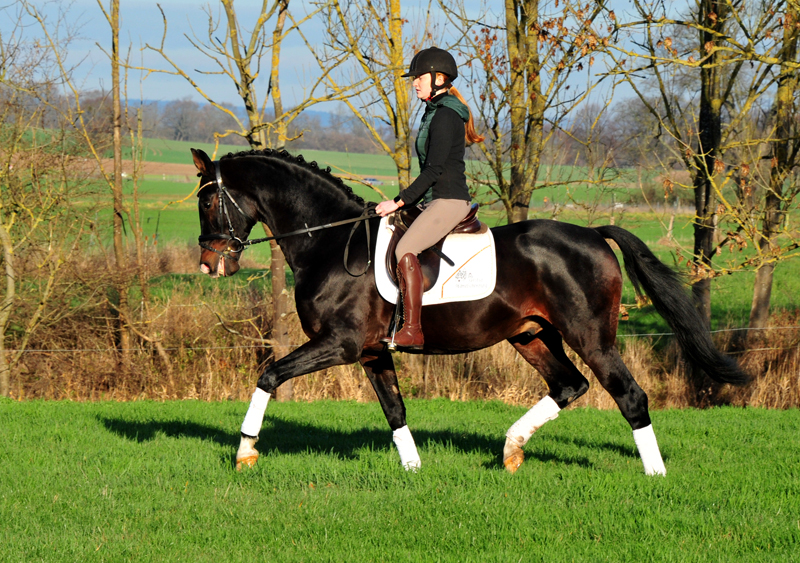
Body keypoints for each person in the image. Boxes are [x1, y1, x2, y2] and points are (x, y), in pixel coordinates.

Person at [375, 47, 484, 350]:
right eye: (414, 78)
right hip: (434, 199)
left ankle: (413, 331)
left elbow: (434, 169)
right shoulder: (434, 111)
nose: (414, 83)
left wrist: (399, 201)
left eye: (419, 77)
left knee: (405, 248)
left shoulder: (446, 115)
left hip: (448, 200)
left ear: (439, 78)